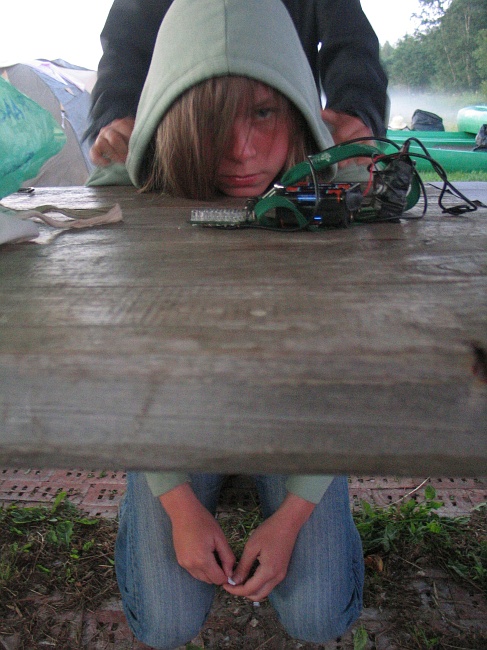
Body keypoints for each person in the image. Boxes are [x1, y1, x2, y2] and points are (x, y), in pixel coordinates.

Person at [90, 0, 365, 647]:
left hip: (297, 414)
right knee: (165, 624)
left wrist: (294, 514)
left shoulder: (338, 198)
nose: (240, 152)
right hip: (175, 414)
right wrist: (176, 502)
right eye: (211, 123)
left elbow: (344, 379)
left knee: (318, 615)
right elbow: (129, 368)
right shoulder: (134, 197)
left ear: (297, 109)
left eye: (263, 113)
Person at [86, 0, 388, 168]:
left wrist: (356, 112)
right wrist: (115, 119)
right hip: (191, 149)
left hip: (287, 145)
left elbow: (351, 41)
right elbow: (124, 48)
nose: (240, 151)